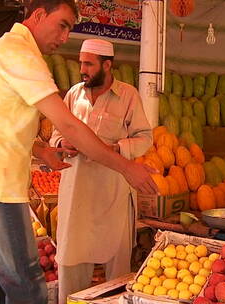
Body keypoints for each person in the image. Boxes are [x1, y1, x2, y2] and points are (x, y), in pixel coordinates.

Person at [0, 1, 157, 303]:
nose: (63, 37)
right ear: (39, 15)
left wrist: (41, 151)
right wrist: (126, 166)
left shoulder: (6, 49)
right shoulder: (20, 55)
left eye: (69, 29)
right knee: (27, 282)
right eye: (62, 25)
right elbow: (68, 127)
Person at [49, 39, 152, 304]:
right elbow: (56, 133)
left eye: (88, 64)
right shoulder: (73, 94)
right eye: (81, 62)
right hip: (76, 191)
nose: (82, 69)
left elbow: (145, 138)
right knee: (71, 256)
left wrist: (117, 148)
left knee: (115, 265)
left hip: (113, 191)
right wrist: (61, 143)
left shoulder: (128, 95)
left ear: (107, 65)